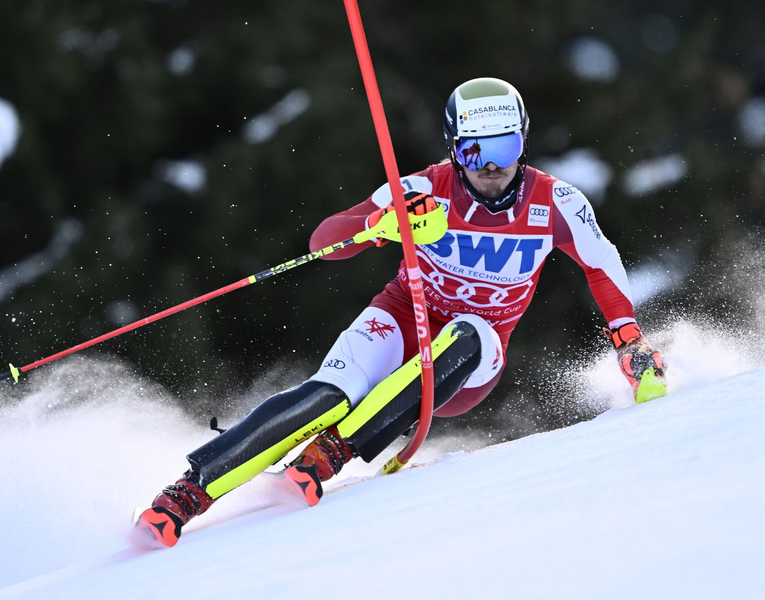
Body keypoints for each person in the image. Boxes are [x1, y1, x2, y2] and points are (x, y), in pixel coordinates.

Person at [134, 77, 667, 547]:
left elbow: (601, 264)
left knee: (471, 331)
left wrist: (629, 341)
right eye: (475, 150)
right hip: (401, 319)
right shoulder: (421, 190)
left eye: (506, 147)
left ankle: (331, 453)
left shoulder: (557, 202)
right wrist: (384, 225)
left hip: (469, 362)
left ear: (524, 142)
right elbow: (325, 241)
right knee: (327, 394)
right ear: (456, 149)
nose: (492, 168)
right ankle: (186, 495)